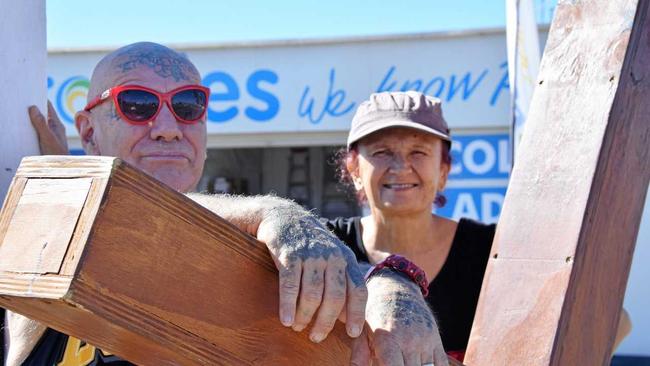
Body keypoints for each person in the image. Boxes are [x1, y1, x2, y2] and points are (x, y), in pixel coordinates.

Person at [3, 43, 445, 366]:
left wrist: (392, 285)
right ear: (88, 132)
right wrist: (273, 211)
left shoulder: (259, 258)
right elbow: (109, 213)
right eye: (136, 104)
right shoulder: (45, 228)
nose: (167, 127)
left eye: (188, 105)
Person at [324, 91, 632, 363]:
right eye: (381, 152)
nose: (401, 166)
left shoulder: (494, 252)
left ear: (443, 170)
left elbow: (614, 321)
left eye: (418, 151)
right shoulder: (325, 245)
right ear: (354, 170)